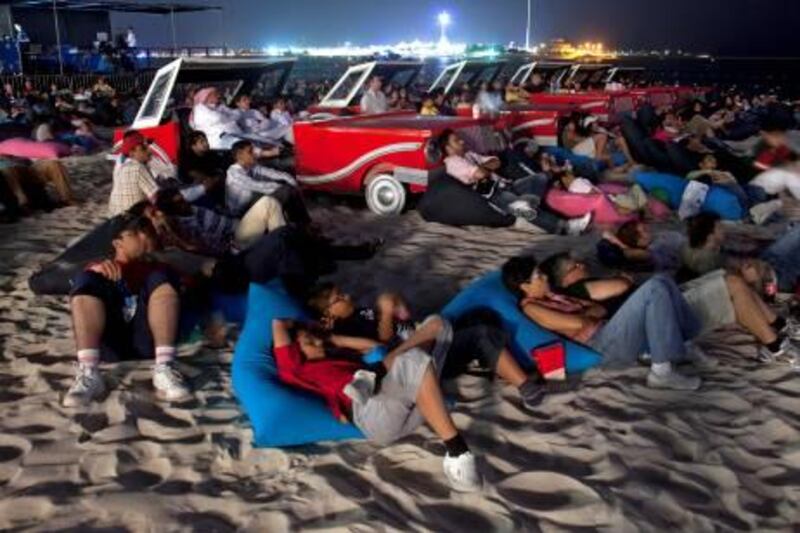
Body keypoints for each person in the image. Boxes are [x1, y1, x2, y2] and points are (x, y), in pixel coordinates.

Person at [271, 317, 481, 492]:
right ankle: (458, 452)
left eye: (315, 339)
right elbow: (278, 323)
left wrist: (333, 338)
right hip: (370, 413)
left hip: (395, 401)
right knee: (414, 358)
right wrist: (306, 325)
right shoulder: (295, 369)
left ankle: (371, 378)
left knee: (440, 325)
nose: (317, 343)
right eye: (310, 341)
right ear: (294, 352)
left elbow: (376, 347)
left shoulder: (337, 357)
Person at [502, 255, 705, 390]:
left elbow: (598, 310)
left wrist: (589, 314)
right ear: (524, 286)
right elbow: (578, 323)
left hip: (606, 329)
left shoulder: (552, 296)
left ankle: (685, 342)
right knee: (654, 288)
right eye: (538, 276)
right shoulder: (532, 308)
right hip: (601, 346)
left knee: (663, 280)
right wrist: (587, 315)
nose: (545, 277)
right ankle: (662, 373)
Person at [63, 214, 190, 407]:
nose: (145, 237)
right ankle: (89, 371)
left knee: (161, 278)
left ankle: (164, 367)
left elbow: (194, 283)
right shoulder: (100, 268)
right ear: (117, 243)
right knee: (86, 281)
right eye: (136, 233)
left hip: (149, 341)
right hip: (110, 345)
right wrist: (92, 270)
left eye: (147, 232)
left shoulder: (160, 267)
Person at [439, 129, 592, 235]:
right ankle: (568, 229)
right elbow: (481, 173)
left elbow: (496, 162)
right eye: (456, 140)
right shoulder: (453, 162)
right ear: (448, 148)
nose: (461, 141)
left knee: (542, 177)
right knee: (525, 208)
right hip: (494, 195)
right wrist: (482, 169)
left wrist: (482, 167)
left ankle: (525, 215)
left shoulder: (469, 155)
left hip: (507, 185)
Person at [226, 140, 309, 225]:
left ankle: (299, 225)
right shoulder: (234, 173)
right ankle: (302, 225)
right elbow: (259, 186)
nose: (254, 153)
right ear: (240, 155)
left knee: (287, 188)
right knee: (286, 192)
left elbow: (274, 173)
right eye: (250, 151)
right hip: (241, 214)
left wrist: (293, 182)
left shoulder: (251, 166)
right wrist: (285, 188)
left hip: (251, 203)